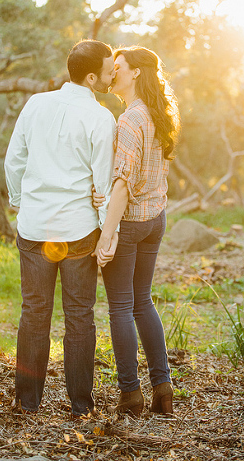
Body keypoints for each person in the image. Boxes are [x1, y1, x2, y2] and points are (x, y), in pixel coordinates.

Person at [4, 39, 116, 417]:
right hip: (78, 231)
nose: (113, 72)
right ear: (90, 76)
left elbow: (13, 159)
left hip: (35, 226)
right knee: (80, 315)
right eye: (108, 67)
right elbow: (102, 182)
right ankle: (81, 406)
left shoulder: (36, 103)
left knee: (34, 312)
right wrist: (105, 230)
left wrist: (19, 201)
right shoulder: (101, 118)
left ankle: (27, 401)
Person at [95, 46, 180, 416]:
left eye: (118, 68)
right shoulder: (157, 116)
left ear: (136, 74)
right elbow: (141, 177)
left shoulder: (129, 121)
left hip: (129, 224)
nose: (112, 74)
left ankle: (130, 395)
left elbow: (124, 185)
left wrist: (106, 234)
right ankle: (163, 387)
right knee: (143, 301)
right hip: (155, 221)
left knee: (120, 308)